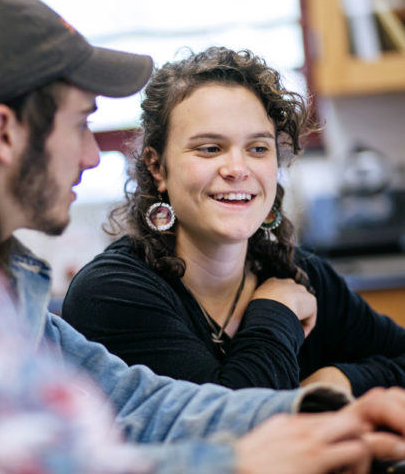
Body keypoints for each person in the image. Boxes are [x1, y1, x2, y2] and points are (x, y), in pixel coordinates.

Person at [0, 0, 405, 473]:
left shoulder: (9, 293)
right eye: (81, 124)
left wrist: (314, 406)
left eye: (258, 148)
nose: (91, 156)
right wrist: (237, 460)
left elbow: (143, 405)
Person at [62, 46, 405, 397]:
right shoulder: (111, 293)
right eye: (210, 148)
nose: (238, 169)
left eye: (258, 149)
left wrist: (342, 379)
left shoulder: (303, 275)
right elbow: (231, 425)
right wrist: (276, 312)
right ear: (157, 167)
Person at [0, 0, 147, 472]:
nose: (93, 156)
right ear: (4, 132)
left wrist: (293, 413)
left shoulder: (1, 279)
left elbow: (129, 401)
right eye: (81, 123)